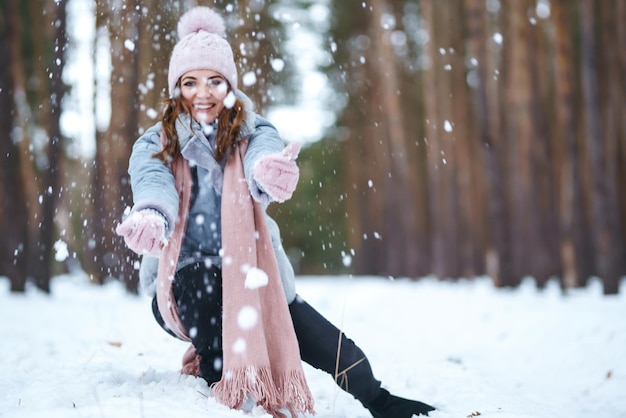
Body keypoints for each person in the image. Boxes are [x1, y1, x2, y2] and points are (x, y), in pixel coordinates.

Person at [116, 6, 436, 418]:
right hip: (181, 282)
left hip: (251, 275)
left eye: (214, 81)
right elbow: (153, 183)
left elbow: (262, 157)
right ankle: (229, 394)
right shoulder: (155, 142)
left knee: (330, 344)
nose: (203, 93)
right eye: (190, 82)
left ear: (229, 85)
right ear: (176, 88)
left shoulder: (253, 131)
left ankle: (380, 400)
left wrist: (268, 173)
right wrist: (152, 216)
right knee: (205, 288)